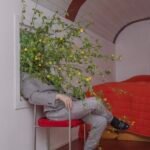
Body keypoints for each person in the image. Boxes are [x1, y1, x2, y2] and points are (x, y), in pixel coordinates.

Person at [21, 72, 129, 150]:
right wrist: (57, 95)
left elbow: (62, 91)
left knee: (101, 121)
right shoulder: (27, 75)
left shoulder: (47, 72)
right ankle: (113, 120)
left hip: (70, 107)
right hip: (56, 112)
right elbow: (32, 96)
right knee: (95, 101)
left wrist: (73, 94)